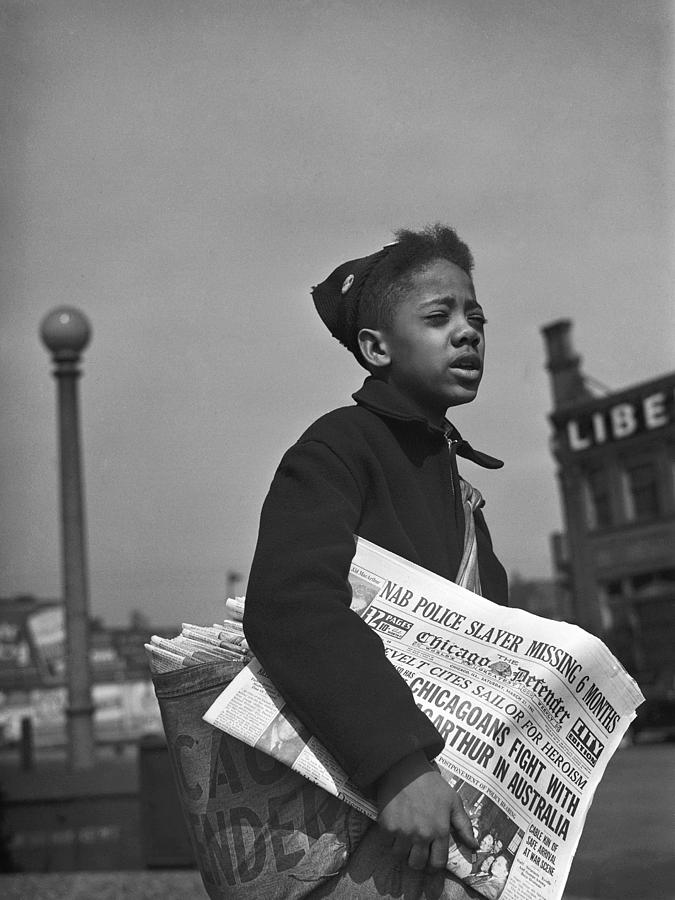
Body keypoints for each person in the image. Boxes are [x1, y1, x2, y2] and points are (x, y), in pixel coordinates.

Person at [243, 223, 508, 894]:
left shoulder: (453, 481)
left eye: (474, 316)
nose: (468, 331)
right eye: (438, 315)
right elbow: (289, 606)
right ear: (374, 347)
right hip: (369, 818)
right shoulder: (337, 449)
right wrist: (400, 767)